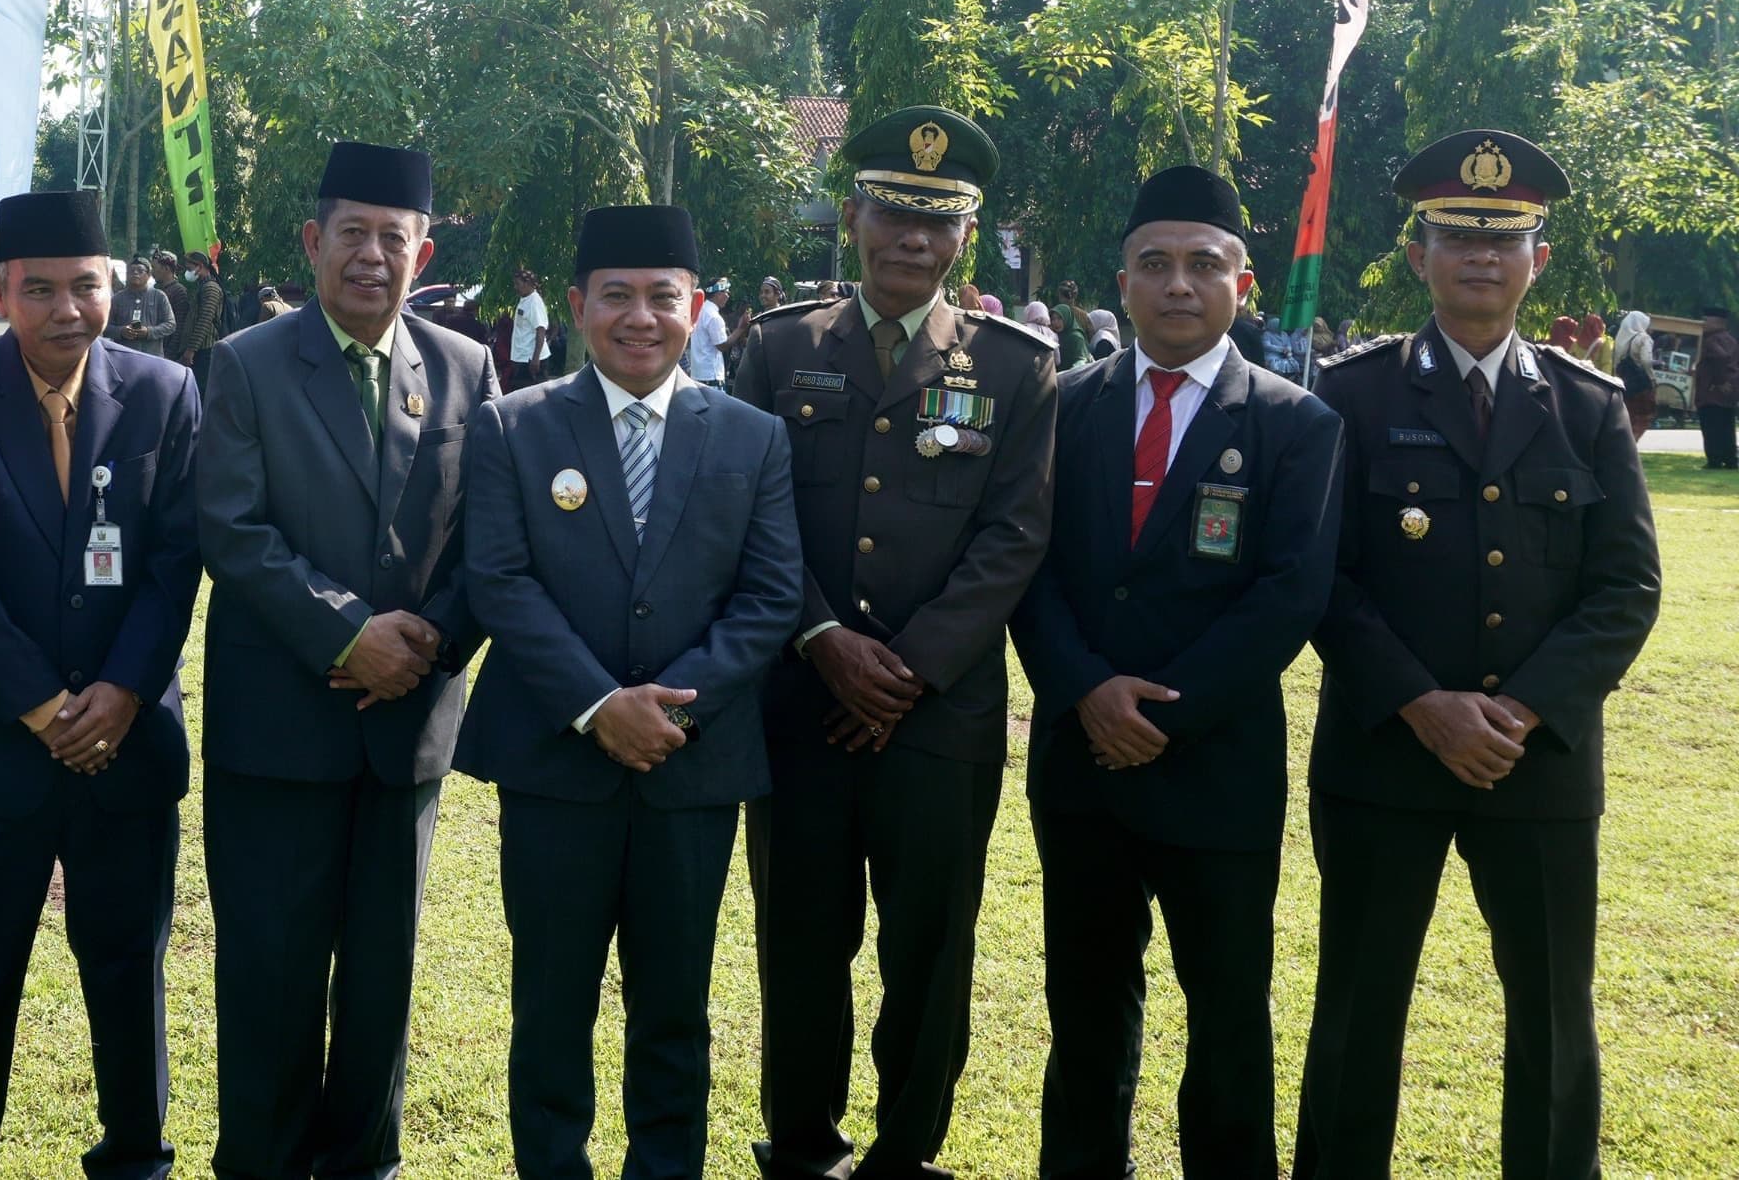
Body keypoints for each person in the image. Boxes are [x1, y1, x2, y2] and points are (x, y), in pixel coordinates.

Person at [1293, 129, 1661, 1180]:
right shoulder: (1350, 394)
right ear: (1419, 253)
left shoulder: (1587, 407)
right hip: (1382, 761)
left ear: (1537, 260)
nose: (1480, 258)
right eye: (1457, 236)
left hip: (1536, 767)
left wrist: (1523, 712)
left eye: (1505, 240)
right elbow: (1321, 576)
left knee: (1551, 1017)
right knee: (1357, 1009)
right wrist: (1422, 706)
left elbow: (1624, 586)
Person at [731, 106, 1059, 1180]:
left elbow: (1015, 533)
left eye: (937, 221)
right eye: (892, 214)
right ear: (852, 213)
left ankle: (905, 1151)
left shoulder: (1016, 367)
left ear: (965, 234)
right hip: (800, 706)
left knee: (930, 946)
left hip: (938, 717)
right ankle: (800, 1141)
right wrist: (822, 637)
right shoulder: (778, 347)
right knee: (800, 941)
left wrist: (908, 668)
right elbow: (749, 514)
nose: (911, 240)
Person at [1010, 166, 1344, 1180]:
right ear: (1121, 284)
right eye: (1154, 265)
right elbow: (1025, 568)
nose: (1178, 286)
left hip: (1215, 771)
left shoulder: (1295, 424)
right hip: (1082, 772)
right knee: (1084, 1012)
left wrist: (1160, 712)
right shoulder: (1061, 407)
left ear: (1242, 286)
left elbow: (1289, 596)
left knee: (1229, 1015)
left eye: (1204, 265)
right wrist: (1084, 691)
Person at [457, 205, 801, 1179]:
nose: (640, 317)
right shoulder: (514, 427)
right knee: (551, 1006)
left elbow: (770, 595)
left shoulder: (752, 437)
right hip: (556, 770)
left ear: (697, 306)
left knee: (674, 1012)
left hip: (689, 774)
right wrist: (599, 706)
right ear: (576, 306)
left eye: (663, 296)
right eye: (616, 295)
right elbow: (501, 580)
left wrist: (666, 707)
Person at [195, 141, 502, 1180]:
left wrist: (427, 645)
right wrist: (347, 633)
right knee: (272, 980)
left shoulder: (465, 368)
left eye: (395, 238)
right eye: (353, 235)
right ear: (312, 242)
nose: (373, 256)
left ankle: (364, 1164)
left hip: (403, 735)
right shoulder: (245, 363)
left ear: (423, 251)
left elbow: (485, 544)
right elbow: (232, 531)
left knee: (382, 979)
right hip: (279, 733)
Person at [0, 190, 202, 1180]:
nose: (66, 308)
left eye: (86, 285)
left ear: (112, 284)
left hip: (125, 747)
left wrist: (119, 691)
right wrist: (43, 706)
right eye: (40, 290)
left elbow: (170, 563)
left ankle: (134, 1158)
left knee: (126, 975)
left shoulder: (165, 394)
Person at [112, 251, 177, 356]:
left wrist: (149, 332)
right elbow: (105, 327)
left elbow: (170, 325)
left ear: (148, 275)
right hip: (124, 357)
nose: (135, 273)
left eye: (140, 270)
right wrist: (121, 331)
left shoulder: (159, 296)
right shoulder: (117, 299)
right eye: (131, 271)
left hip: (152, 357)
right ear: (127, 274)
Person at [1698, 305, 1738, 470]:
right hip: (1729, 391)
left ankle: (1714, 459)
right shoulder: (1731, 339)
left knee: (1711, 426)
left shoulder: (1711, 340)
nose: (1703, 323)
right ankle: (1730, 459)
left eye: (1706, 320)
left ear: (1717, 322)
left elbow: (1720, 358)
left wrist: (1720, 381)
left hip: (1712, 391)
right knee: (1727, 427)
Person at [171, 249, 226, 371]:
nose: (187, 272)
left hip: (204, 350)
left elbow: (204, 321)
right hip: (198, 350)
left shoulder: (210, 288)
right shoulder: (201, 287)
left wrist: (191, 350)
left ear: (200, 266)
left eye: (189, 269)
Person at [1614, 309, 1658, 439]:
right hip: (1640, 384)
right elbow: (1646, 360)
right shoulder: (1644, 338)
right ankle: (1632, 441)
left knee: (1626, 414)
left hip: (1624, 381)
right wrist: (1652, 378)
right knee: (1643, 415)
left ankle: (1624, 441)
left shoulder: (1620, 339)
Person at [509, 266, 551, 392]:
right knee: (520, 395)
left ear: (527, 283)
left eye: (518, 284)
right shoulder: (525, 299)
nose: (515, 287)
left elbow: (540, 330)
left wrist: (535, 359)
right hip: (521, 356)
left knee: (535, 396)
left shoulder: (534, 302)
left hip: (531, 359)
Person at [684, 276, 732, 387]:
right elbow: (722, 346)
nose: (728, 296)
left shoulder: (700, 311)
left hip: (697, 376)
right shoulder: (714, 316)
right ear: (717, 294)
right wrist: (741, 329)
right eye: (726, 292)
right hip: (711, 377)